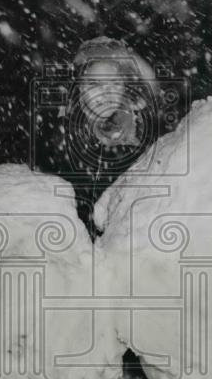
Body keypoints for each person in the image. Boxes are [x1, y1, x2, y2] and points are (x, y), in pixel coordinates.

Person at [36, 36, 166, 240]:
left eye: (114, 83)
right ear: (79, 86)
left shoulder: (142, 138)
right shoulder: (57, 138)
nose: (105, 93)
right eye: (95, 83)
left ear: (125, 87)